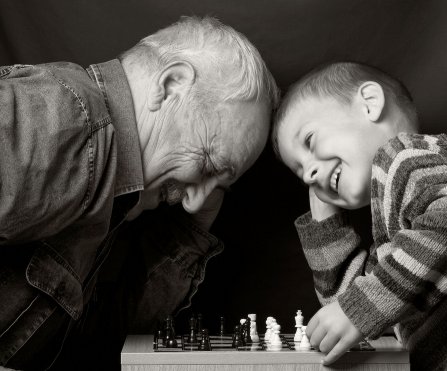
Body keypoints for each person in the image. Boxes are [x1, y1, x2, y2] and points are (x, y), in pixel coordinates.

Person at [0, 16, 278, 370]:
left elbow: (103, 347)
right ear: (173, 84)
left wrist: (191, 230)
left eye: (218, 187)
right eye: (208, 162)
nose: (194, 201)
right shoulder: (72, 123)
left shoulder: (108, 181)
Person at [272, 61, 447, 370]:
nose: (309, 173)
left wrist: (358, 310)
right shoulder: (405, 236)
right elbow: (349, 306)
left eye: (310, 141)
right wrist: (324, 221)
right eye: (301, 173)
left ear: (369, 104)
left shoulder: (403, 155)